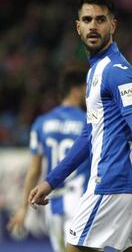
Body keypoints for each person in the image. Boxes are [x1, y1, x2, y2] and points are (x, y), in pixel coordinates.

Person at [28, 0, 132, 252]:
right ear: (78, 27)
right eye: (87, 19)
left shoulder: (116, 71)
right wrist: (51, 181)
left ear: (112, 26)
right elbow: (89, 135)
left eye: (100, 20)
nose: (93, 26)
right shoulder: (96, 70)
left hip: (112, 183)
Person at [7, 68, 90, 252]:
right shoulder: (88, 121)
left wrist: (23, 208)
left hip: (52, 201)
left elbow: (34, 170)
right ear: (77, 90)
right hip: (81, 200)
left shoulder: (41, 123)